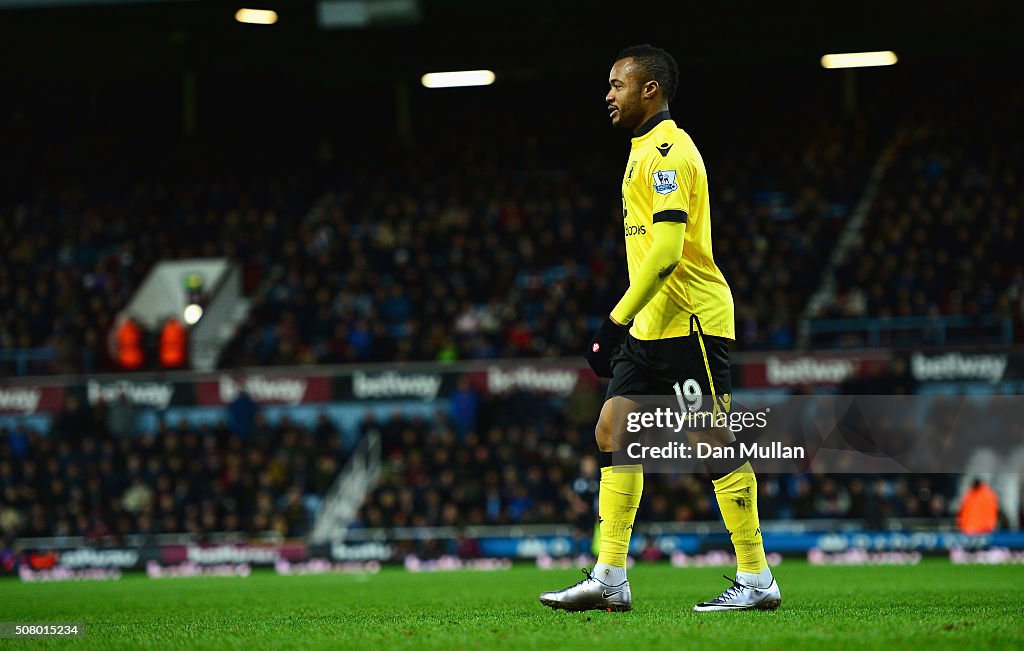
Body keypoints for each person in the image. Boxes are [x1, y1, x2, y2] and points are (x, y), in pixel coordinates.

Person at [539, 44, 780, 613]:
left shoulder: (669, 152)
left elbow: (669, 250)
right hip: (651, 326)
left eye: (617, 84)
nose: (608, 94)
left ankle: (757, 577)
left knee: (709, 442)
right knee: (610, 432)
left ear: (650, 89)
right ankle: (610, 577)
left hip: (690, 319)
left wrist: (613, 320)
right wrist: (632, 322)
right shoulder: (640, 150)